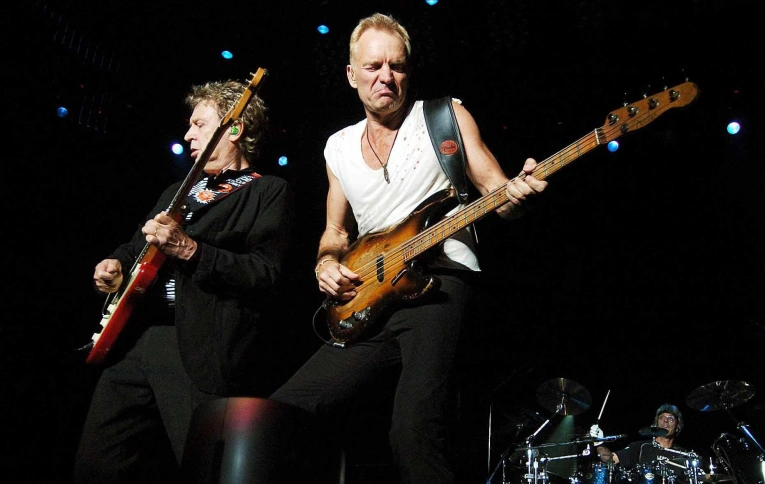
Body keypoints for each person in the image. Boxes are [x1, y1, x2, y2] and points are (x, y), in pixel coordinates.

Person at [269, 12, 547, 484]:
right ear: (351, 75)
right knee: (286, 410)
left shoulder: (444, 116)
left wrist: (517, 196)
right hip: (370, 295)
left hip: (439, 285)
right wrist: (325, 263)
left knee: (413, 432)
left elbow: (497, 192)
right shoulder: (338, 147)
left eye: (396, 66)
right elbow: (335, 231)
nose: (386, 76)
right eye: (374, 66)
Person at [74, 79, 294, 483]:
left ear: (233, 129)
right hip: (138, 338)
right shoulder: (177, 191)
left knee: (202, 466)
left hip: (201, 345)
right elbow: (136, 247)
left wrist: (190, 249)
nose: (188, 134)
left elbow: (264, 273)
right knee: (97, 464)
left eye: (199, 124)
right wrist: (114, 267)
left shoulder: (268, 191)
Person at [596, 404, 697, 482]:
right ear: (656, 424)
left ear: (677, 427)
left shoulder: (684, 455)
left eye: (671, 418)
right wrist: (598, 442)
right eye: (662, 418)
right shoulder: (641, 447)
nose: (665, 421)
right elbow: (609, 459)